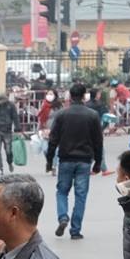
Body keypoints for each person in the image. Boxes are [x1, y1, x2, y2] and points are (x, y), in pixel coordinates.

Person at [46, 83, 103, 240]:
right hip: (84, 160)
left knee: (62, 191)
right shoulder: (92, 115)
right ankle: (75, 230)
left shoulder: (62, 115)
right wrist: (98, 163)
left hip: (65, 159)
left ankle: (63, 217)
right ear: (84, 96)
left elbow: (53, 139)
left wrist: (49, 161)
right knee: (81, 195)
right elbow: (98, 141)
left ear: (70, 96)